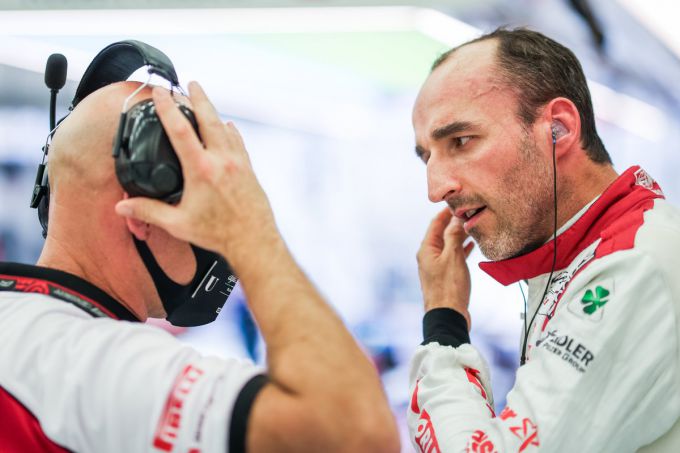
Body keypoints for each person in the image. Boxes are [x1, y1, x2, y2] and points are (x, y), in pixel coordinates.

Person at [0, 81, 400, 452]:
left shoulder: (30, 331)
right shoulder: (89, 363)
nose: (214, 222)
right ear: (142, 208)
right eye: (207, 194)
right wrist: (249, 228)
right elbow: (357, 433)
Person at [407, 28, 680, 452]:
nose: (436, 188)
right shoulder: (582, 255)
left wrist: (444, 322)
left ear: (558, 128)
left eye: (460, 141)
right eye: (427, 156)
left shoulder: (632, 265)